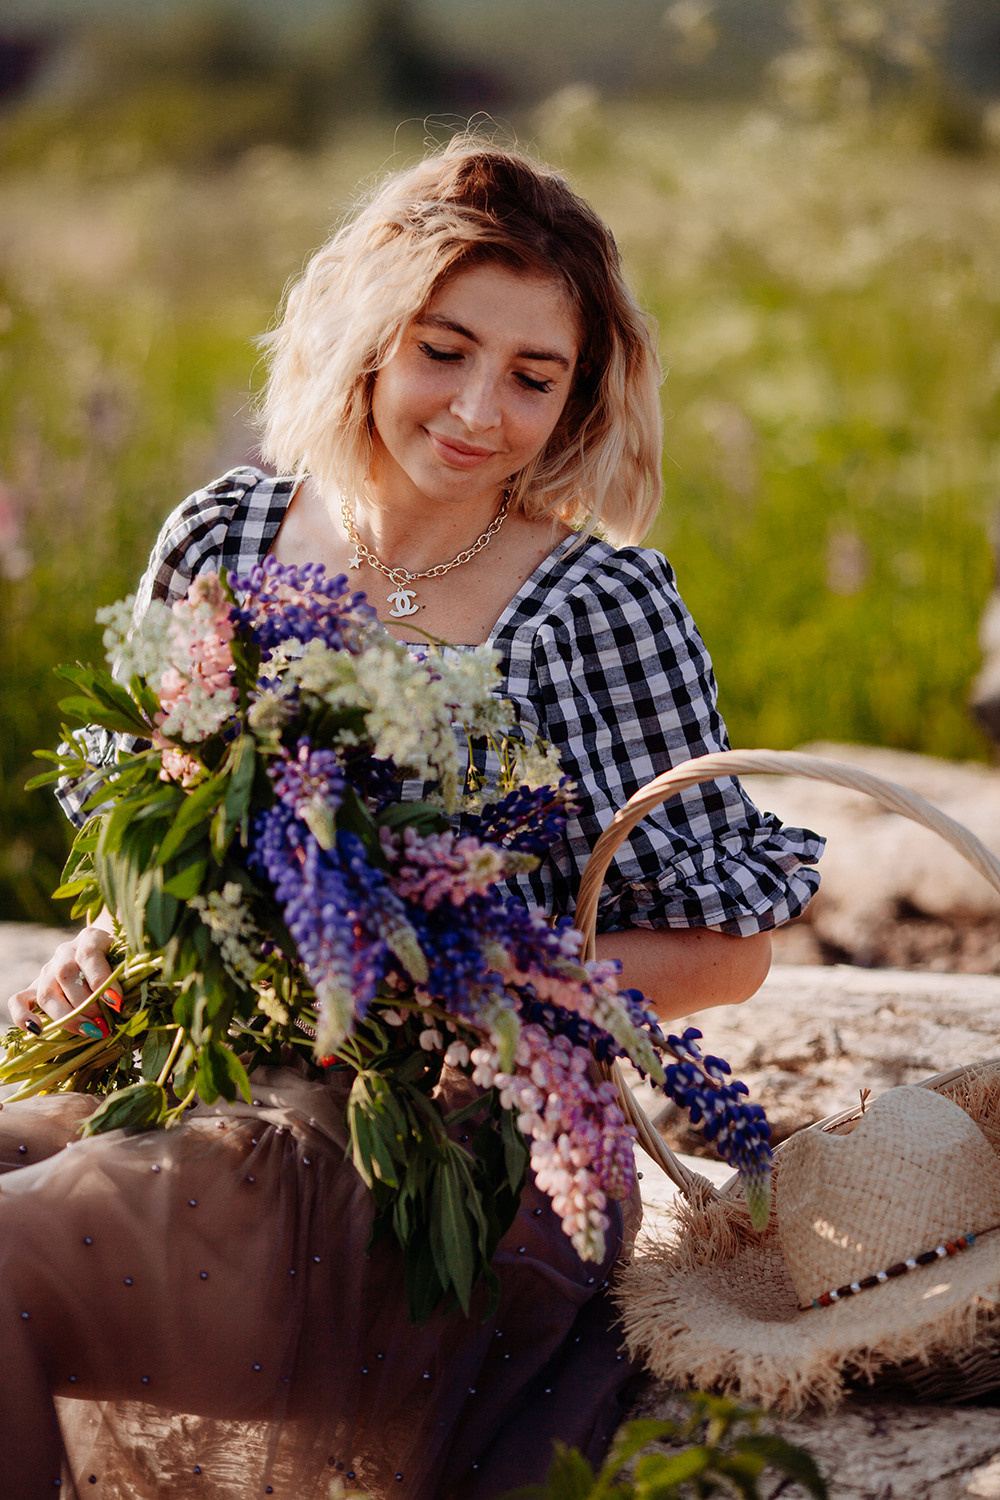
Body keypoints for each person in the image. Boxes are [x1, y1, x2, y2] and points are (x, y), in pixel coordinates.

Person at [3, 137, 822, 1499]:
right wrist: (111, 939)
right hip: (191, 1080)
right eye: (443, 350)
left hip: (440, 1150)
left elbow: (730, 948)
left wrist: (491, 987)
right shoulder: (225, 539)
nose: (477, 410)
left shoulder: (595, 604)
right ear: (369, 336)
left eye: (532, 376)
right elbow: (165, 845)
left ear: (577, 400)